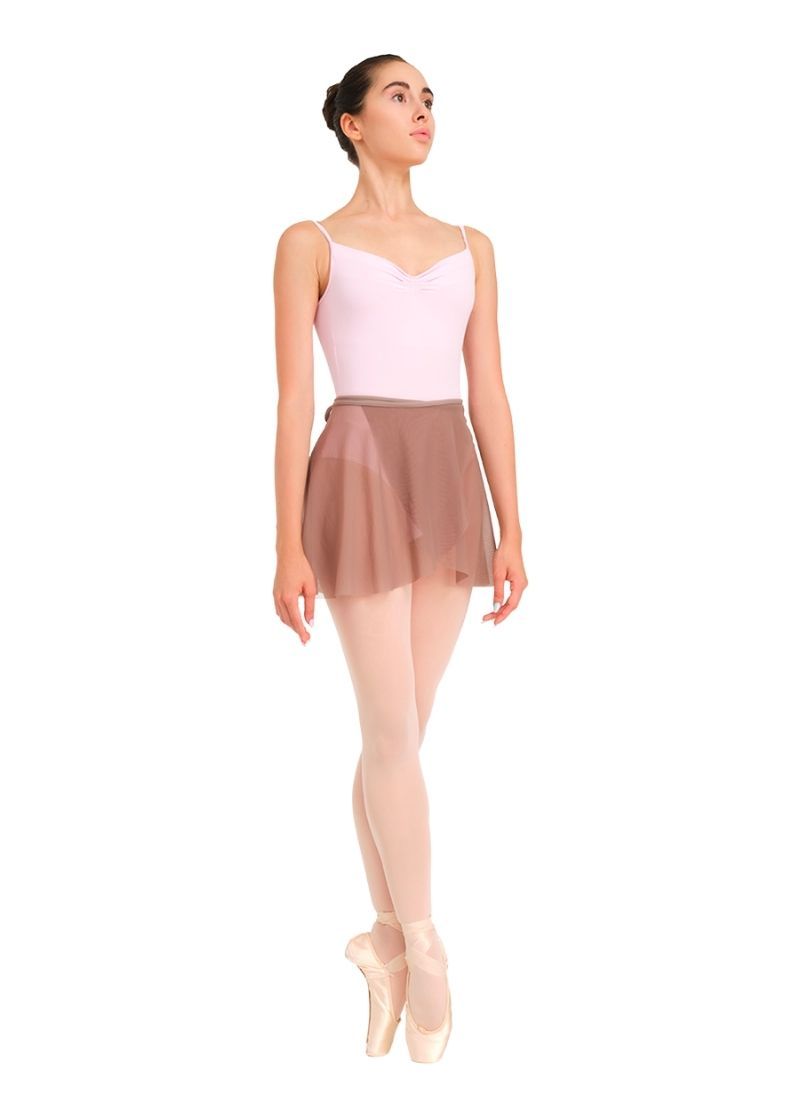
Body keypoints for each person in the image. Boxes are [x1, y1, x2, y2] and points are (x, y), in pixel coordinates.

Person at [272, 53, 527, 1062]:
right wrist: (285, 541)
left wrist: (514, 525)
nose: (421, 111)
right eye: (397, 96)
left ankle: (380, 942)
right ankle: (425, 950)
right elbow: (293, 399)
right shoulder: (310, 242)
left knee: (401, 737)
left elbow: (490, 390)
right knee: (390, 732)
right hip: (360, 464)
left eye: (428, 99)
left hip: (447, 471)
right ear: (350, 122)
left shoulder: (471, 246)